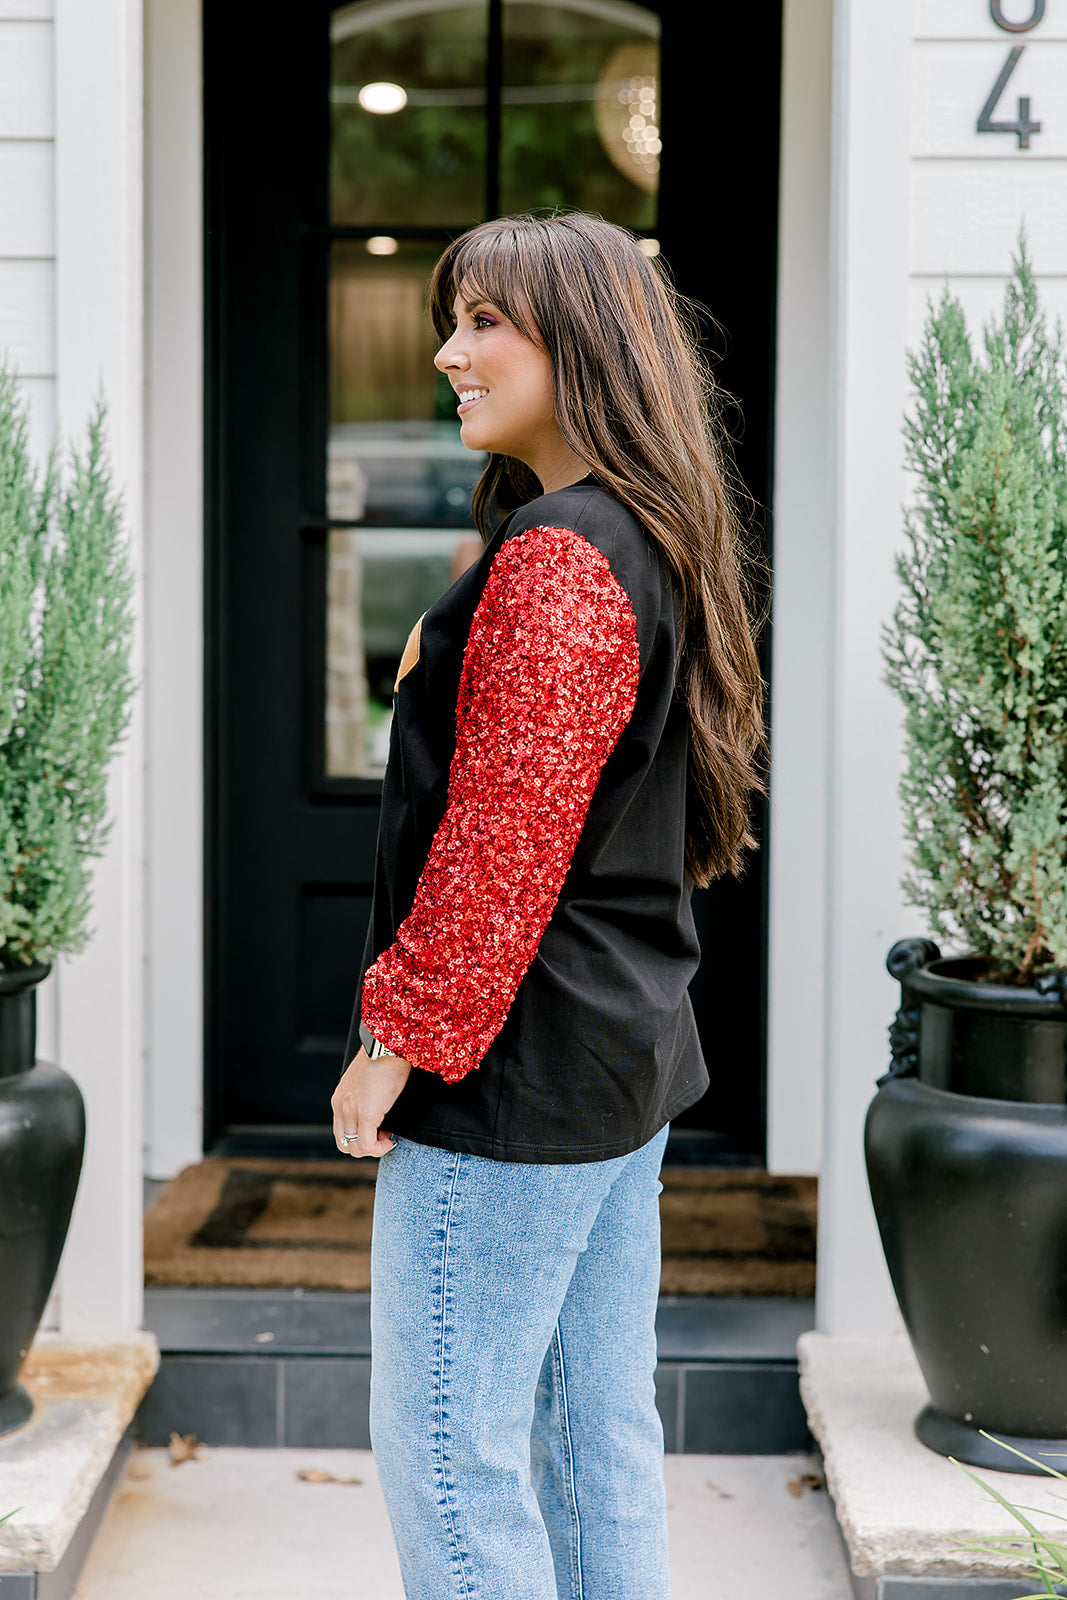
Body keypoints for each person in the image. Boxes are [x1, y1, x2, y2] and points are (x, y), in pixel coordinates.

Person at [332, 210, 767, 1599]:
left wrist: (393, 1038)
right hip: (610, 1068)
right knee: (593, 1449)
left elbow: (500, 847)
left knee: (454, 1470)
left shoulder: (562, 562)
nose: (450, 353)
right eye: (452, 321)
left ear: (579, 342)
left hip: (511, 1092)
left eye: (484, 323)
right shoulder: (637, 536)